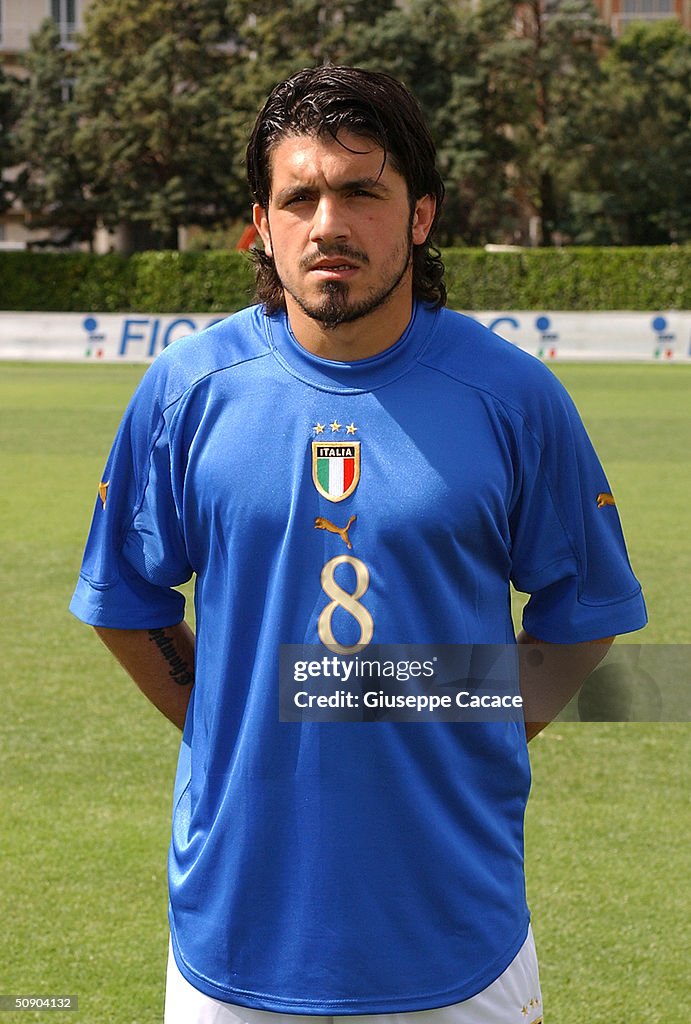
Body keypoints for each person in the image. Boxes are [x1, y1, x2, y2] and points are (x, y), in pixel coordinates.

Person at [70, 66, 647, 1024]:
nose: (328, 223)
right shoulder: (184, 391)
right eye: (299, 196)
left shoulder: (512, 396)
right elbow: (127, 603)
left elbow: (583, 614)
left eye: (361, 191)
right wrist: (231, 718)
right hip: (234, 940)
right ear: (262, 222)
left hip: (456, 941)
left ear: (420, 216)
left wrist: (461, 721)